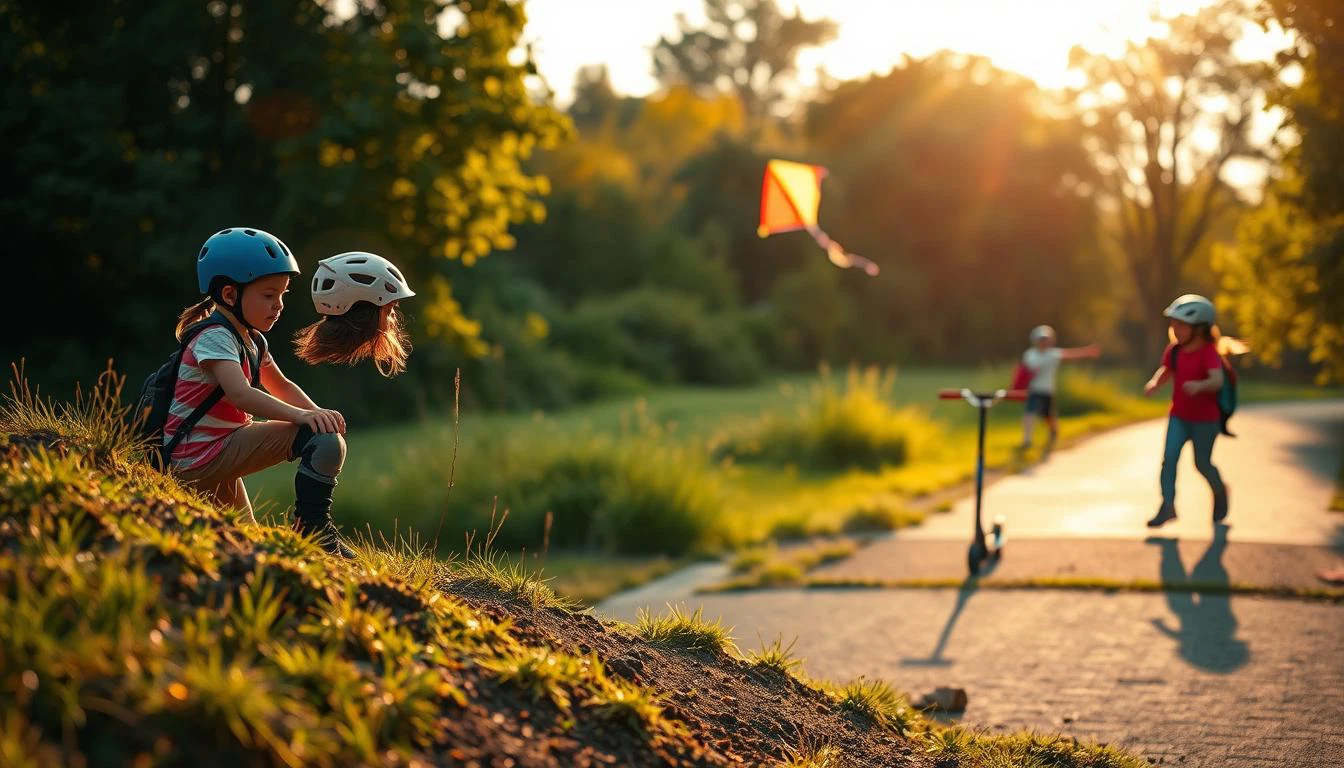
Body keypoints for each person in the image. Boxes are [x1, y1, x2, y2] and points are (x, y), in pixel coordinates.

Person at [168, 227, 354, 557]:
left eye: (282, 295)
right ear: (229, 295)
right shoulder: (215, 337)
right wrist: (306, 419)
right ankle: (313, 528)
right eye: (269, 296)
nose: (278, 305)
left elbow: (280, 386)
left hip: (213, 454)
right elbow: (241, 394)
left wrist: (317, 412)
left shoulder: (251, 339)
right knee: (322, 442)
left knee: (246, 544)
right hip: (199, 456)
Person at [1142, 294, 1232, 528]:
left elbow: (1217, 380)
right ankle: (1168, 506)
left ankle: (1220, 491)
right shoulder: (1174, 350)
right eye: (1173, 323)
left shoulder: (1208, 352)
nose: (1174, 328)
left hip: (1205, 420)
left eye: (1180, 325)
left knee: (1202, 464)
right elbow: (1166, 370)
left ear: (1199, 328)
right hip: (1179, 416)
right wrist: (1154, 384)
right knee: (1169, 460)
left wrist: (1199, 386)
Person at [293, 251, 415, 377]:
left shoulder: (333, 354)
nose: (394, 317)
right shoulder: (348, 366)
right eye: (389, 309)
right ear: (364, 313)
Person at [1017, 325, 1101, 452]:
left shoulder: (1053, 354)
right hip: (1033, 390)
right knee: (1029, 413)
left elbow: (1071, 355)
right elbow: (1024, 371)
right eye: (1041, 339)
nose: (1043, 342)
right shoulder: (1030, 355)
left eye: (1045, 339)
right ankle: (1027, 440)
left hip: (1047, 390)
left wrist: (1087, 352)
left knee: (1048, 416)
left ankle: (1053, 431)